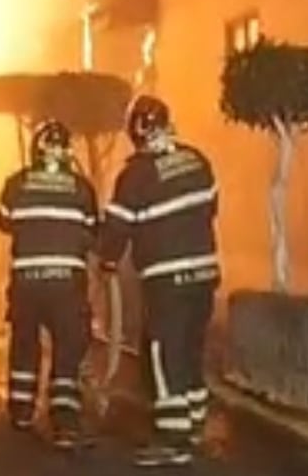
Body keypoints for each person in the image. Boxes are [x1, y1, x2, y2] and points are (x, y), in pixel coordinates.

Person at [98, 95, 220, 468]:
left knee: (163, 353)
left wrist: (106, 259)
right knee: (189, 350)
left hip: (168, 279)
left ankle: (173, 437)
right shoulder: (197, 161)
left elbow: (117, 229)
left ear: (135, 131)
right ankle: (196, 424)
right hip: (204, 275)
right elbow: (211, 207)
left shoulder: (136, 175)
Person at [0, 119, 99, 450]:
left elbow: (4, 222)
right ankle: (65, 421)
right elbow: (92, 231)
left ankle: (21, 412)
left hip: (27, 283)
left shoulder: (16, 184)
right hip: (67, 285)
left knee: (25, 344)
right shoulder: (82, 189)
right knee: (68, 350)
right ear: (68, 151)